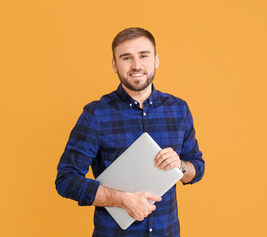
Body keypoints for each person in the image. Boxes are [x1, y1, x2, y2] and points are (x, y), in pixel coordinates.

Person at [55, 27, 205, 237]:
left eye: (144, 55)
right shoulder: (96, 114)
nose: (136, 65)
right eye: (126, 58)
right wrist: (122, 200)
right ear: (115, 65)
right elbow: (66, 180)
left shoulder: (179, 109)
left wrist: (180, 166)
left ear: (156, 60)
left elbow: (196, 168)